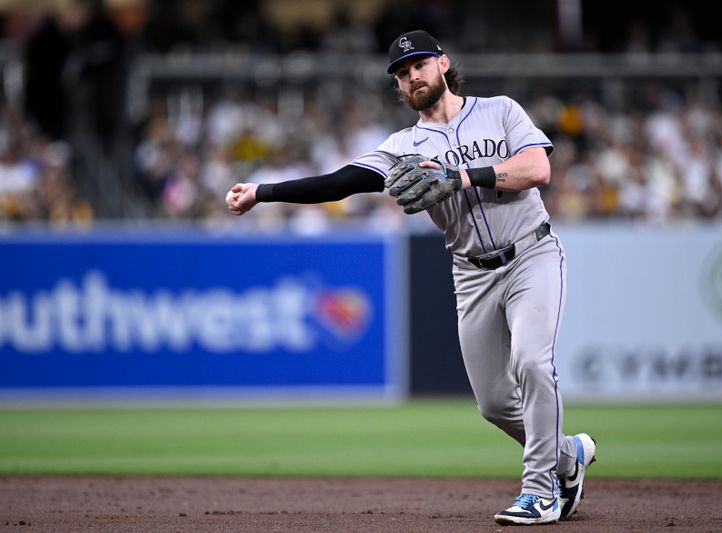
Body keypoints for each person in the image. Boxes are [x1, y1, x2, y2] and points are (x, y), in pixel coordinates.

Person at [226, 29, 596, 526]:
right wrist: (263, 191)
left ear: (443, 64)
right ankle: (567, 455)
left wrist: (460, 176)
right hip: (471, 273)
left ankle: (540, 490)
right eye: (401, 73)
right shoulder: (404, 146)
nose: (411, 76)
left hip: (531, 254)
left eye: (419, 64)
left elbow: (535, 169)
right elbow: (340, 183)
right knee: (493, 404)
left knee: (531, 361)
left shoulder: (500, 110)